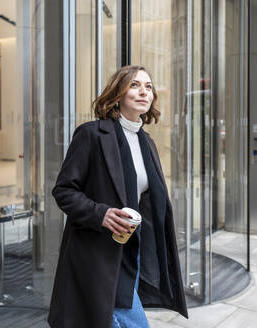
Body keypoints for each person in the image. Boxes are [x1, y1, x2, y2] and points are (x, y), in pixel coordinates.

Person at [47, 65, 188, 328]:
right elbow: (64, 190)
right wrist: (101, 214)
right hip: (95, 253)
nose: (143, 91)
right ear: (118, 93)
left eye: (148, 86)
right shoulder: (92, 134)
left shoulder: (147, 143)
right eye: (134, 85)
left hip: (130, 249)